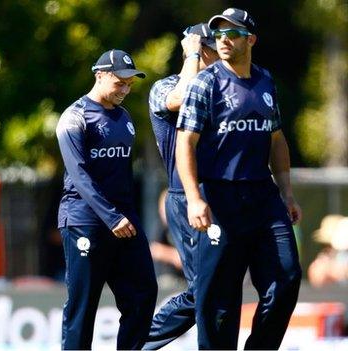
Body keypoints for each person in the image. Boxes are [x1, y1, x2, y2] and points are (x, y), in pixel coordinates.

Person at [176, 8, 302, 349]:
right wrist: (194, 198)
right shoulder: (206, 82)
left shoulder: (265, 80)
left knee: (287, 278)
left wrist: (287, 193)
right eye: (218, 35)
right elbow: (185, 141)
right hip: (220, 197)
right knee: (218, 299)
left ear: (251, 39)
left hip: (263, 196)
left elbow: (275, 138)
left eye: (232, 34)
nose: (223, 40)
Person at [56, 49, 157, 350]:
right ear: (100, 75)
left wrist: (124, 216)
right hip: (85, 221)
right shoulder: (74, 117)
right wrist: (111, 216)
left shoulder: (124, 118)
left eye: (130, 83)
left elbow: (121, 175)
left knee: (143, 294)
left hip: (124, 222)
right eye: (120, 82)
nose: (125, 89)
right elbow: (79, 174)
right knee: (82, 307)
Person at [144, 23, 219, 350]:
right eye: (216, 49)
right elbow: (183, 98)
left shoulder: (226, 88)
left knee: (215, 285)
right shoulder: (166, 86)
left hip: (224, 195)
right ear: (201, 50)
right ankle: (139, 343)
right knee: (204, 287)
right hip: (187, 198)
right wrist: (191, 54)